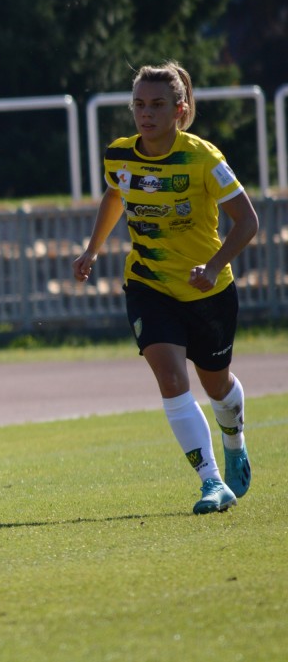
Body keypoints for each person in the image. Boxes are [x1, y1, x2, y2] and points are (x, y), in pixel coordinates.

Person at [73, 61, 258, 515]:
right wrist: (92, 249)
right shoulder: (119, 155)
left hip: (208, 291)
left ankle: (234, 441)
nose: (146, 113)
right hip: (148, 284)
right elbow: (116, 194)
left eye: (157, 105)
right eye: (139, 104)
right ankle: (211, 482)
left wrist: (213, 267)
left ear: (180, 109)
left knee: (217, 386)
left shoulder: (203, 159)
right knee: (172, 379)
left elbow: (248, 222)